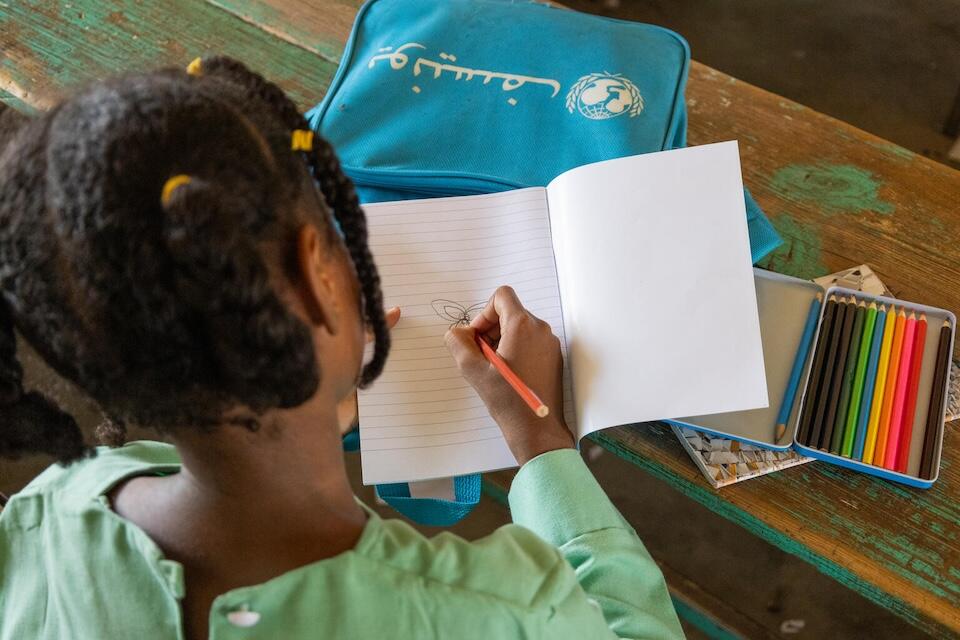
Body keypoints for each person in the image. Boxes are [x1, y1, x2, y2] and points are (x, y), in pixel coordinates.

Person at [0, 57, 682, 640]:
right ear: (317, 272)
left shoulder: (45, 515)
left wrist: (303, 395)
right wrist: (540, 439)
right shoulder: (498, 612)